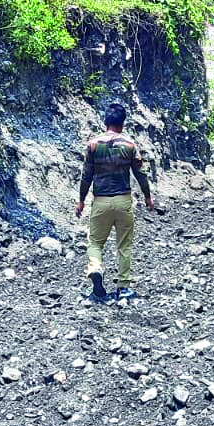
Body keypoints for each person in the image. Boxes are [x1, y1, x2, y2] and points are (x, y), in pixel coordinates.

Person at [75, 104, 153, 300]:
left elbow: (86, 176)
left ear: (105, 122)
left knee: (95, 242)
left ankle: (95, 268)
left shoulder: (93, 145)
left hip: (100, 201)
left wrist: (81, 201)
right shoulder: (130, 145)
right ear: (123, 123)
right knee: (124, 245)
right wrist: (147, 196)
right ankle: (124, 287)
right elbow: (140, 174)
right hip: (123, 201)